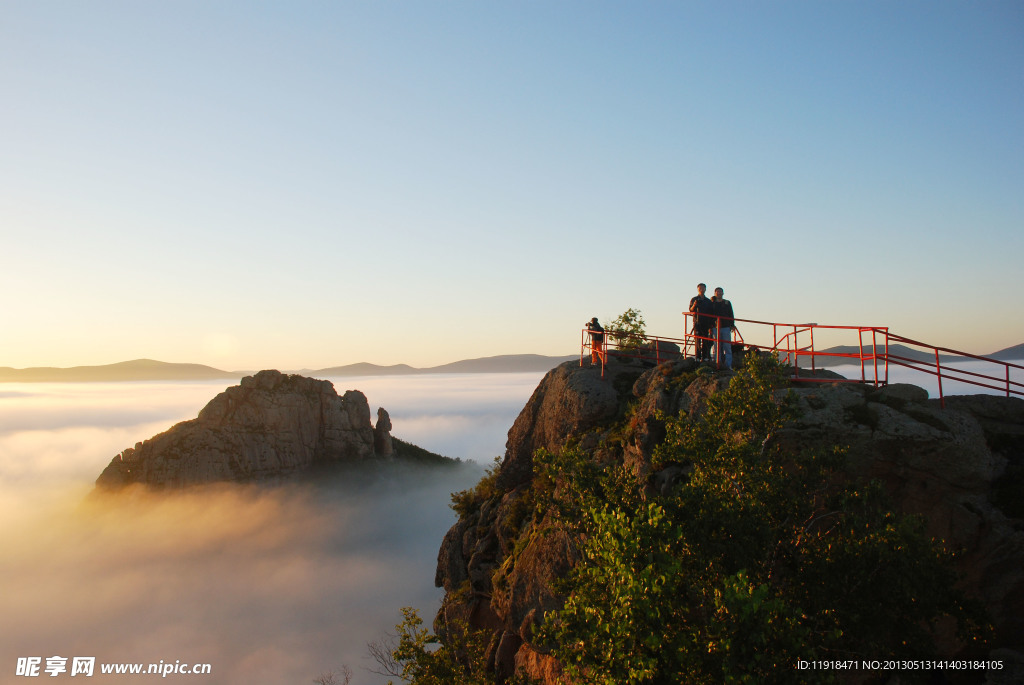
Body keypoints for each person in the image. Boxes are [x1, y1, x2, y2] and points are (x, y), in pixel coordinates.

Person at [688, 283, 714, 362]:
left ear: (705, 289)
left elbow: (711, 313)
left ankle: (705, 356)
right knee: (697, 340)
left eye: (703, 288)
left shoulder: (708, 301)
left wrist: (711, 325)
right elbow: (691, 310)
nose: (701, 289)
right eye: (700, 288)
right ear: (698, 289)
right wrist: (695, 305)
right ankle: (698, 357)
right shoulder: (694, 299)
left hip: (706, 323)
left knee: (705, 340)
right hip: (697, 322)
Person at [712, 287, 735, 369]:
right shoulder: (712, 303)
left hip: (725, 326)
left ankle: (728, 365)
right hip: (715, 327)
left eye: (720, 292)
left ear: (723, 293)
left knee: (727, 346)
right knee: (717, 346)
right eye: (717, 292)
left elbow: (731, 314)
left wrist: (732, 325)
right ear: (715, 293)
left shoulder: (727, 303)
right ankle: (718, 364)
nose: (719, 293)